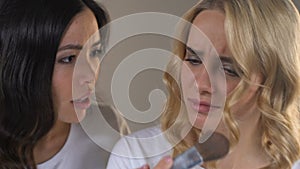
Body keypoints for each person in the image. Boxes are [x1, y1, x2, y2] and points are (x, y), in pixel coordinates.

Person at [107, 0, 300, 169]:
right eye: (193, 60)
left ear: (273, 80)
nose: (200, 84)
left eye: (228, 70)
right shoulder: (136, 155)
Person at [0, 0, 125, 168]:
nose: (91, 75)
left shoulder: (107, 127)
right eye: (68, 58)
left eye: (94, 52)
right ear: (22, 65)